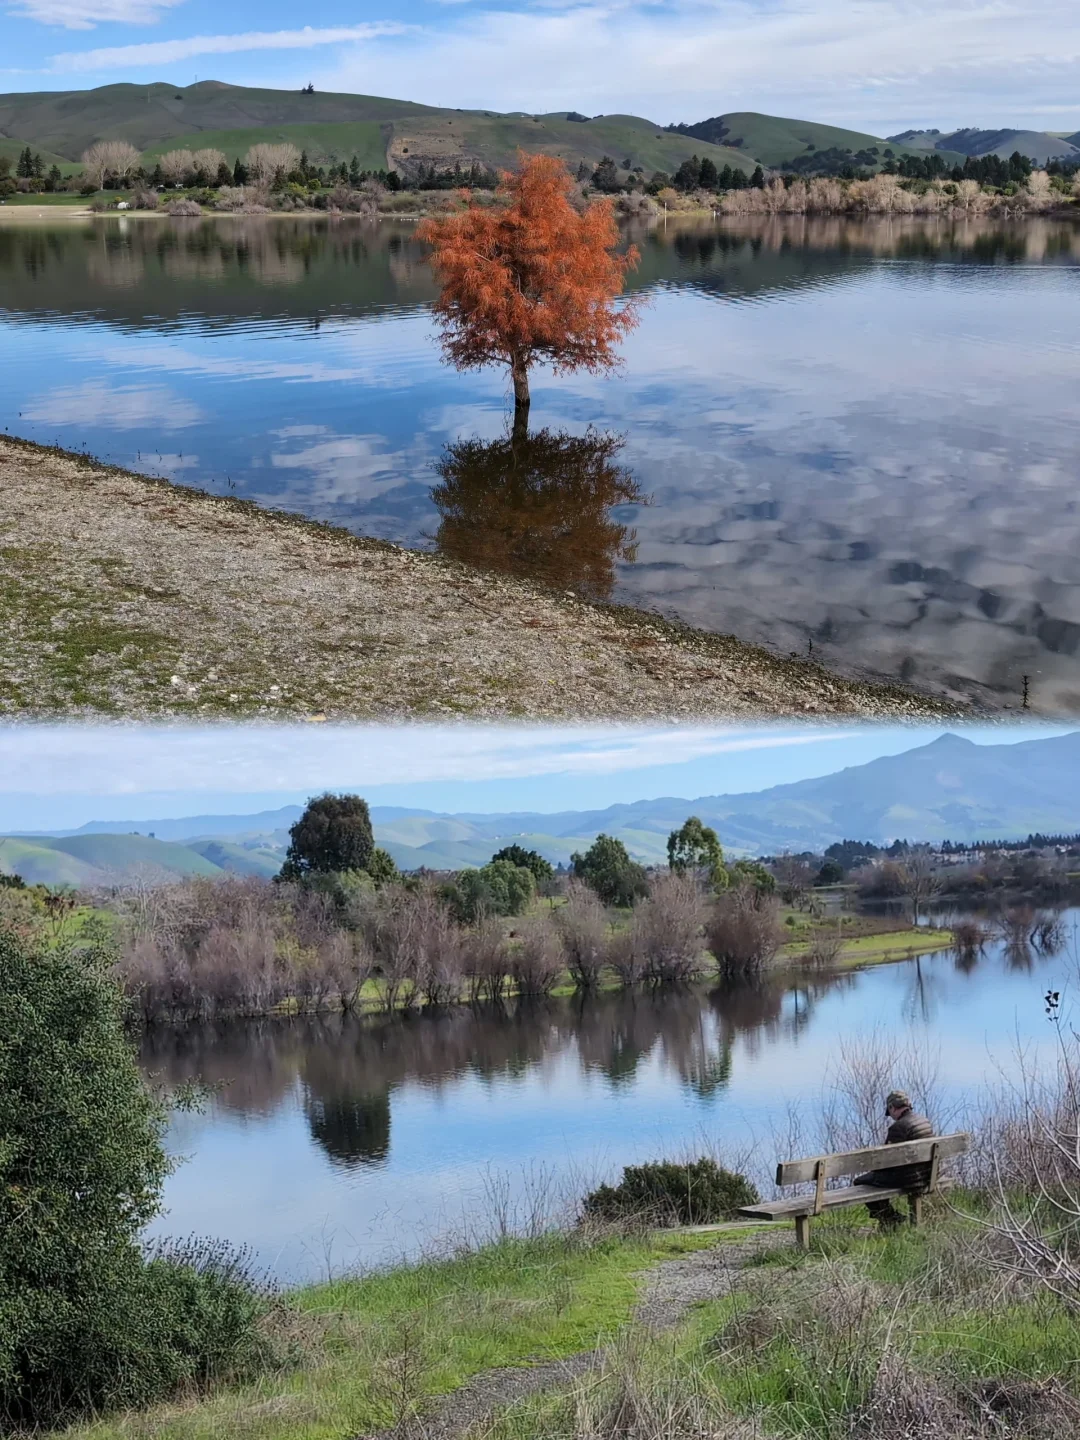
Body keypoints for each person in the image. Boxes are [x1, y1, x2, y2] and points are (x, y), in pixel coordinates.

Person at [853, 1090, 933, 1229]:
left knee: (860, 1182)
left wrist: (875, 1169)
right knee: (876, 1178)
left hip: (910, 1179)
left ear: (892, 1107)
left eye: (890, 1113)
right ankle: (890, 1217)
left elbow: (887, 1160)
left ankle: (889, 1219)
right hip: (927, 1174)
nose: (891, 1117)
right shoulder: (924, 1121)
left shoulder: (898, 1128)